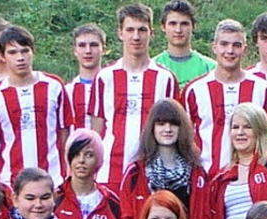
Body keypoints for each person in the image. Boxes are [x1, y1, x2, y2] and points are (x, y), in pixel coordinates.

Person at [90, 3, 179, 188]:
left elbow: (174, 131)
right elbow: (96, 132)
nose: (136, 36)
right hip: (110, 171)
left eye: (142, 30)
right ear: (120, 33)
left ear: (152, 34)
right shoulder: (105, 77)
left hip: (153, 171)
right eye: (130, 30)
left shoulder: (165, 78)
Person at [0, 25, 73, 185]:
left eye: (25, 51)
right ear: (3, 56)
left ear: (32, 51)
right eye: (12, 52)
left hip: (54, 180)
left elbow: (64, 132)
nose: (20, 57)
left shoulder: (54, 86)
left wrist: (64, 168)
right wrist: (1, 177)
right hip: (12, 182)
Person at [182, 19, 267, 176]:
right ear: (214, 48)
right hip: (207, 178)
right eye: (224, 44)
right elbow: (184, 138)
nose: (230, 51)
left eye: (236, 45)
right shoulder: (195, 90)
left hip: (250, 180)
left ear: (245, 50)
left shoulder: (261, 88)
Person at [117, 98, 208, 219]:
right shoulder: (135, 173)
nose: (168, 129)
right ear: (152, 128)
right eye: (161, 124)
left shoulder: (197, 173)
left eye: (173, 124)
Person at [153, 0, 215, 87]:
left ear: (194, 26)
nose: (178, 30)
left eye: (184, 24)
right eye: (173, 24)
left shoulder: (210, 68)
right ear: (163, 27)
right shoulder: (153, 67)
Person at [66, 24, 108, 130]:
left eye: (93, 45)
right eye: (82, 45)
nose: (88, 51)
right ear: (74, 50)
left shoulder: (113, 86)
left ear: (104, 49)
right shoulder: (67, 91)